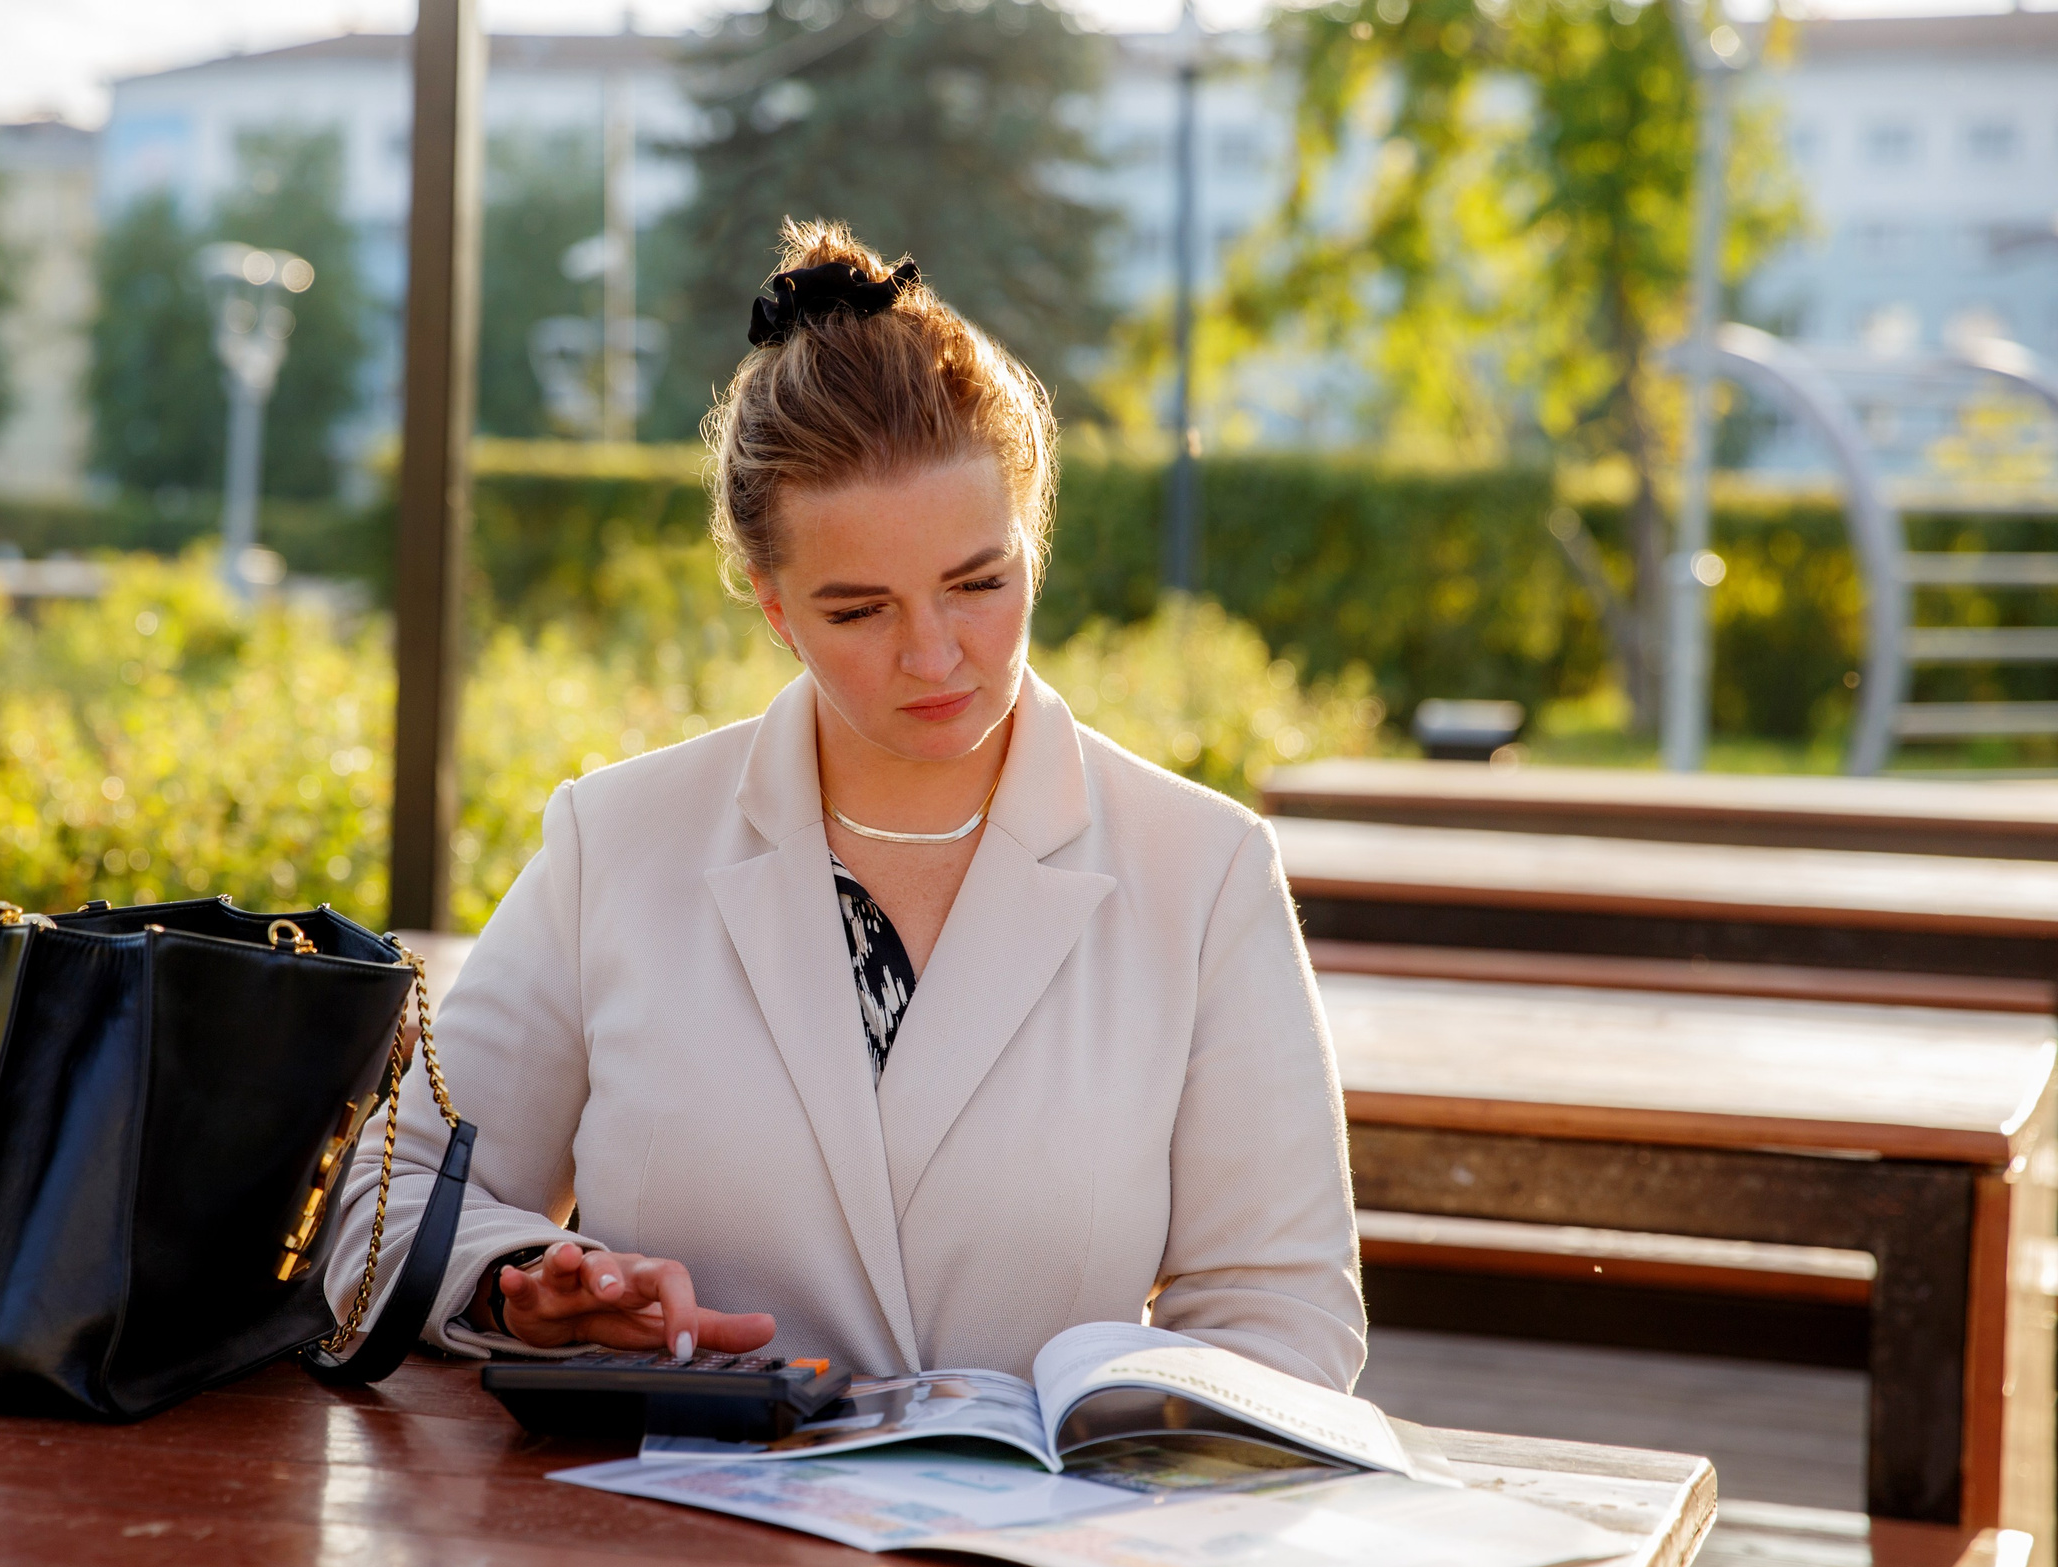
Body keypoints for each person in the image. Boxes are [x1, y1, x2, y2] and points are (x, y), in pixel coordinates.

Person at [326, 221, 1364, 1389]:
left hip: (1042, 1509)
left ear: (1034, 542)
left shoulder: (1202, 869)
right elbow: (385, 1198)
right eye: (859, 610)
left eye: (978, 582)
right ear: (774, 609)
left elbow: (1282, 1311)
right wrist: (525, 1285)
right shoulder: (613, 844)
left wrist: (1120, 1448)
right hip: (667, 1502)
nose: (934, 654)